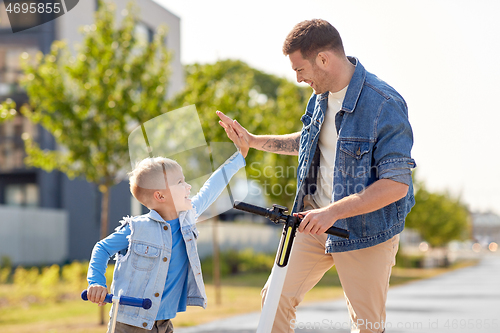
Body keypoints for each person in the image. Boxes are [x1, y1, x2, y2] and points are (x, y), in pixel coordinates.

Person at [217, 19, 416, 333]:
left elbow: (396, 185)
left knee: (367, 325)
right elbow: (309, 140)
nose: (298, 79)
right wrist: (254, 141)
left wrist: (332, 212)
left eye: (300, 70)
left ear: (324, 59)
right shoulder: (320, 98)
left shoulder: (384, 104)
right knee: (274, 301)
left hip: (365, 231)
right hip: (313, 223)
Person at [86, 122, 248, 333]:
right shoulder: (136, 228)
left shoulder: (188, 218)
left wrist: (239, 156)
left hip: (163, 323)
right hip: (129, 323)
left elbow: (212, 187)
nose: (188, 186)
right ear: (160, 196)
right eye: (180, 182)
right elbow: (102, 248)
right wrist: (96, 282)